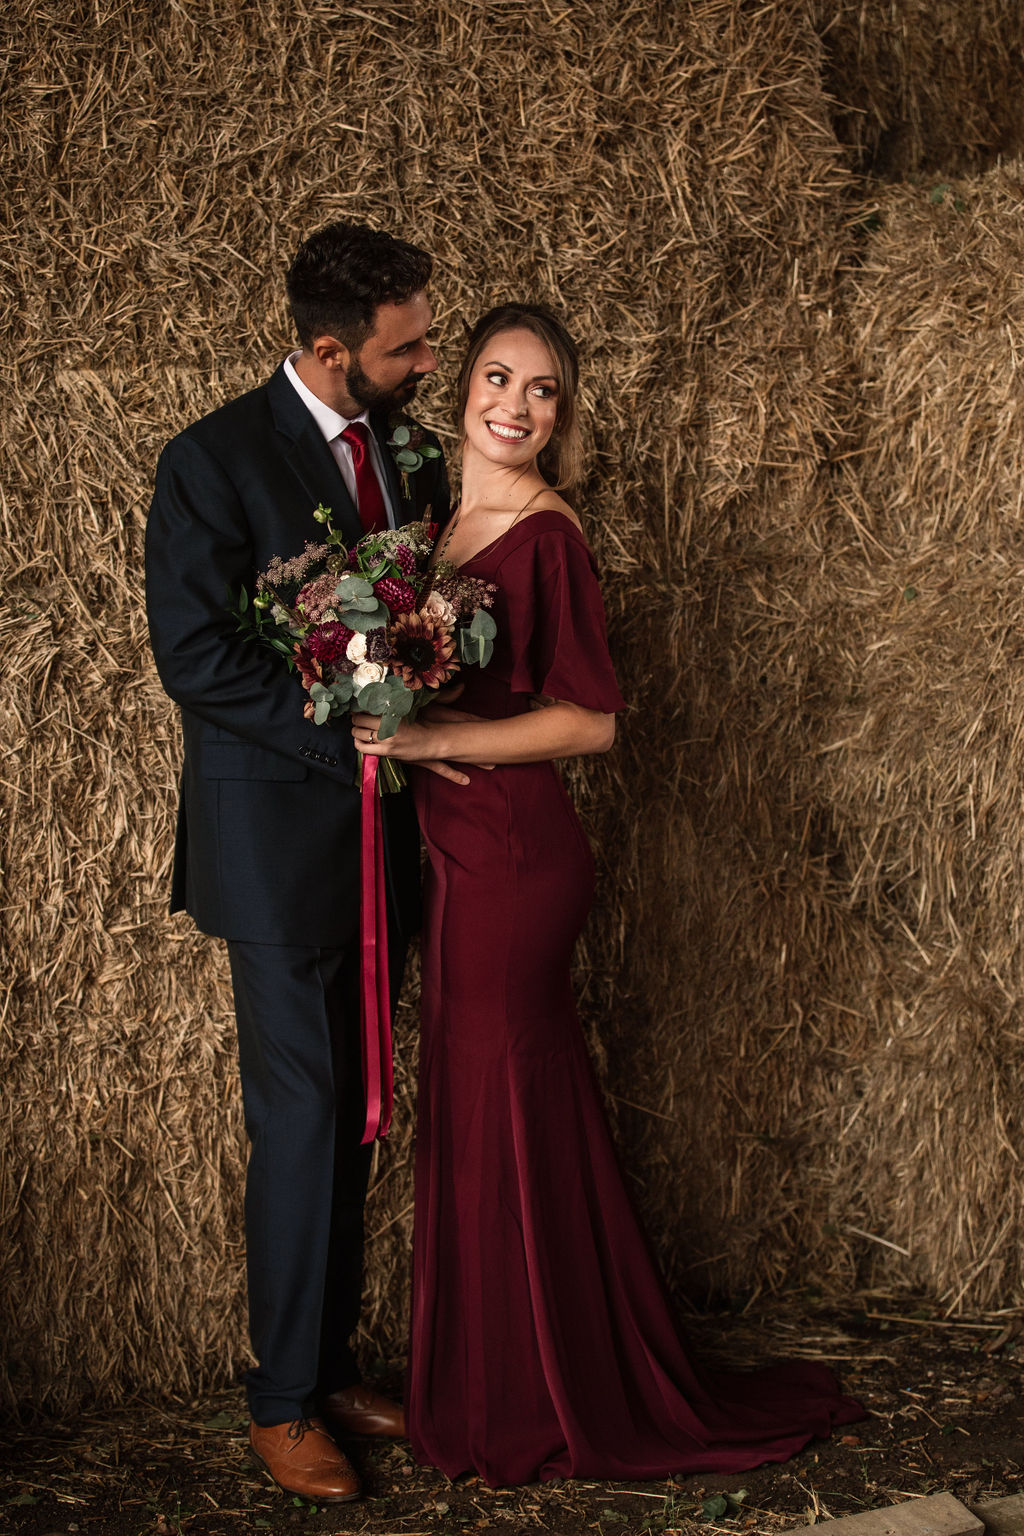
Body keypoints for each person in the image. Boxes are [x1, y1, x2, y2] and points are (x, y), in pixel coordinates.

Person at [352, 303, 864, 1486]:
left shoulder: (548, 537)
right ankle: (504, 1369)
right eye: (497, 378)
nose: (515, 406)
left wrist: (423, 745)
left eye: (542, 391)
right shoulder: (431, 523)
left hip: (519, 860)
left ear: (561, 416)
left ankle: (542, 1393)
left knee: (502, 1107)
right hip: (458, 852)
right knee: (488, 1109)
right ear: (462, 388)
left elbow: (593, 722)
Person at [145, 221, 457, 1505]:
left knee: (359, 1113)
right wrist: (358, 740)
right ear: (332, 352)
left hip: (393, 843)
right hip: (279, 846)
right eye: (408, 345)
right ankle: (278, 1404)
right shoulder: (212, 460)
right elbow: (198, 659)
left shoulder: (409, 450)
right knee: (303, 1118)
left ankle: (326, 1368)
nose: (429, 359)